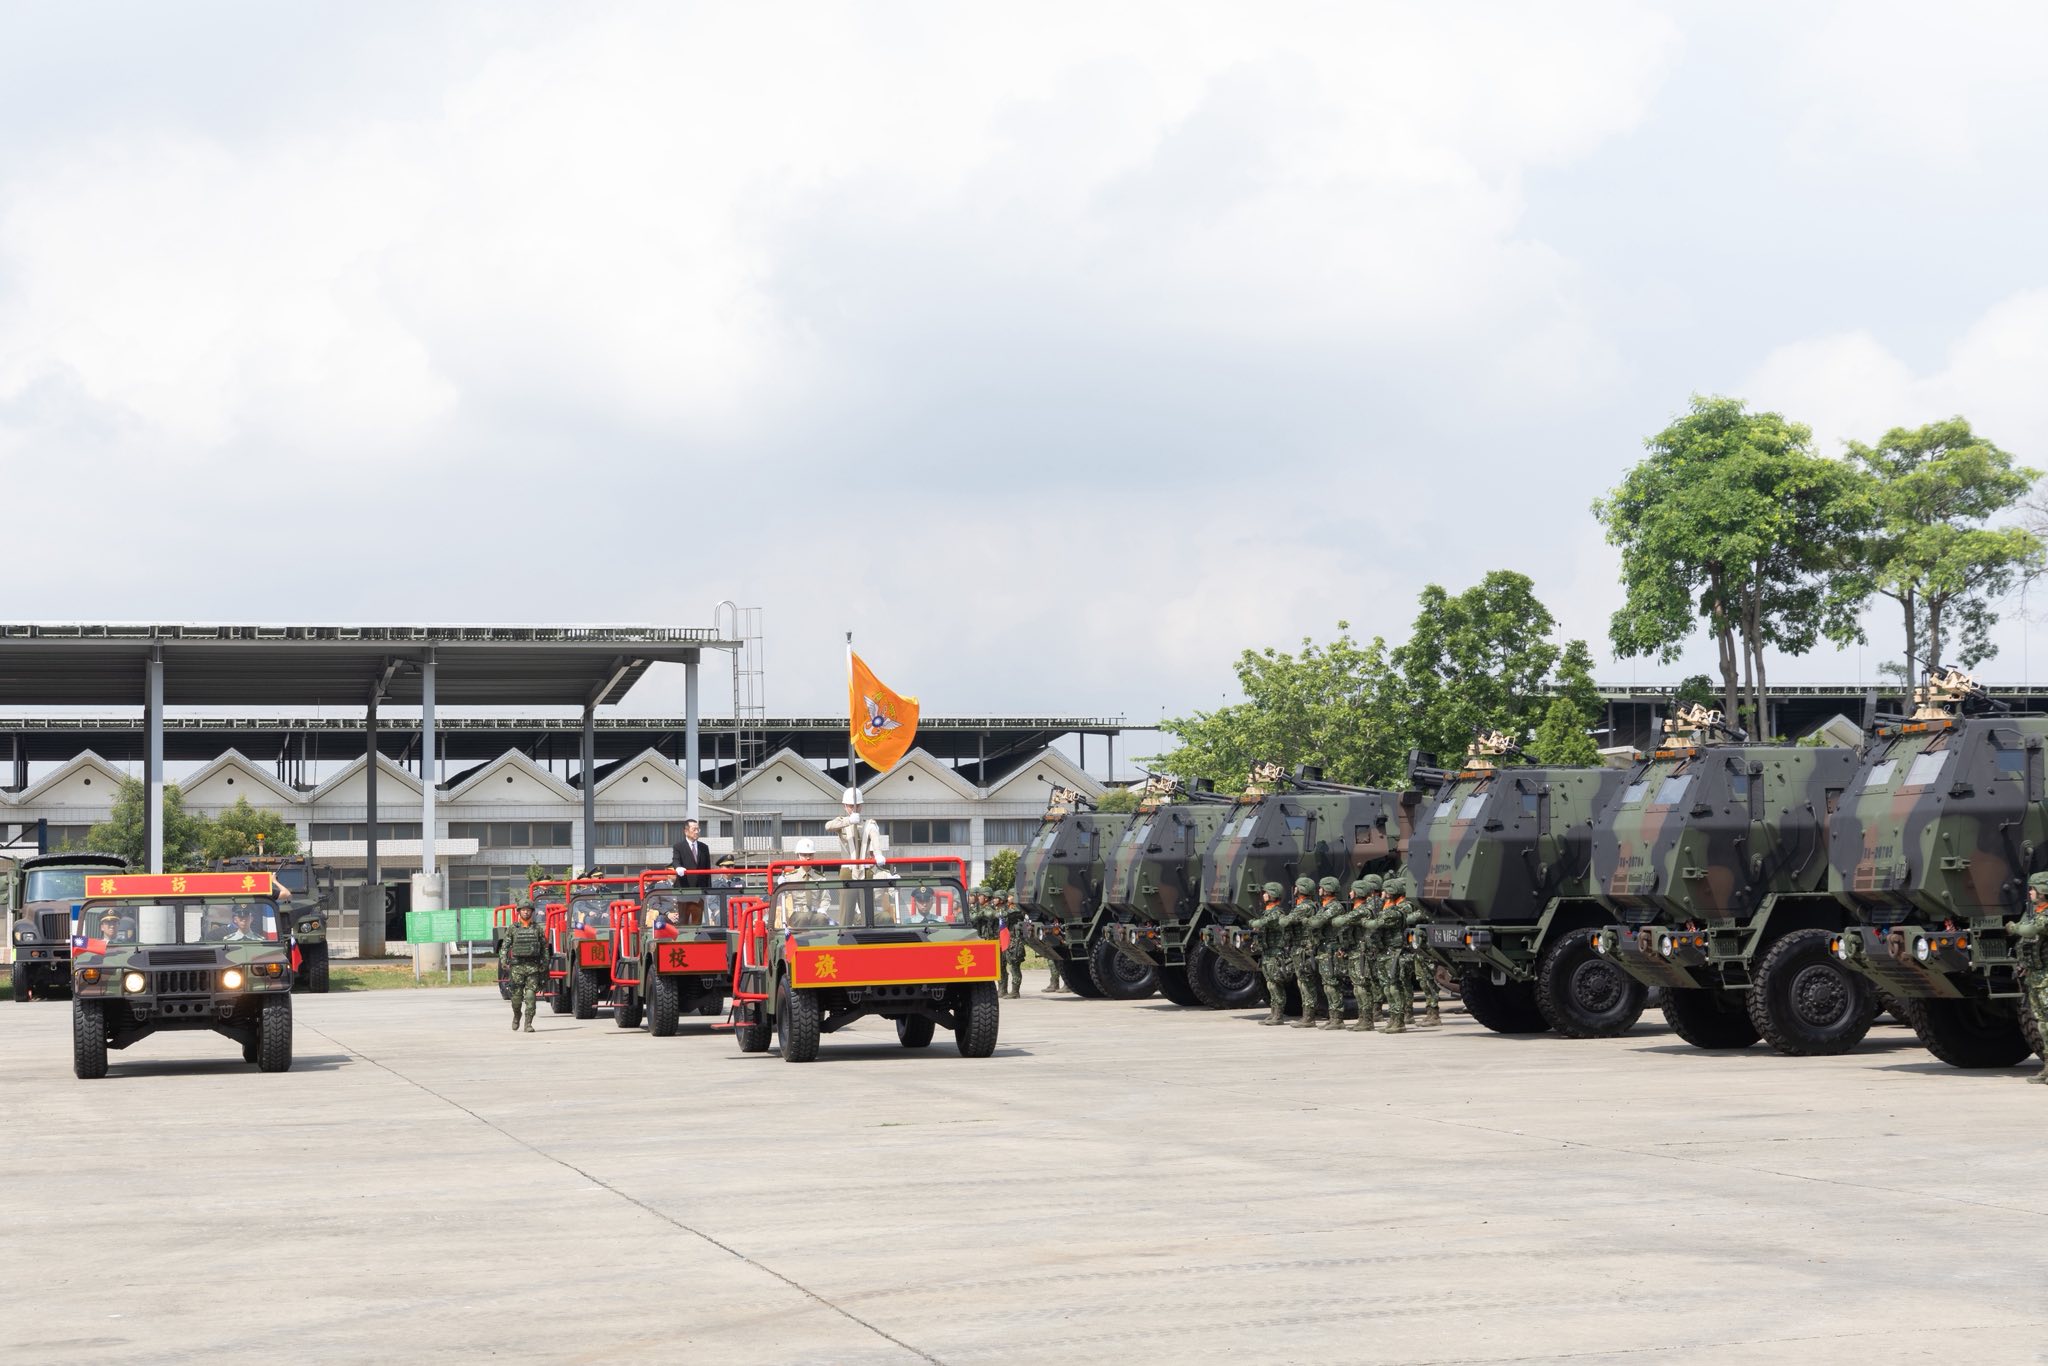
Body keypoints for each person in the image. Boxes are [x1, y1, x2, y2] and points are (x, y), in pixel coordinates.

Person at [2006, 872, 2048, 1084]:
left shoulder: (2045, 915)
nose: (2030, 891)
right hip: (2037, 975)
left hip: (2046, 977)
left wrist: (2014, 927)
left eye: (2033, 888)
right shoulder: (2035, 912)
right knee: (2042, 1023)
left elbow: (2031, 930)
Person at [1338, 877, 1381, 1033]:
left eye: (1352, 890)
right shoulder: (1358, 909)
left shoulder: (1363, 910)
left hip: (1362, 953)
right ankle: (1363, 1018)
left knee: (1362, 987)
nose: (1349, 893)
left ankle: (1367, 1019)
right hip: (1356, 951)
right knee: (1357, 988)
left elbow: (1341, 921)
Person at [1376, 876, 1416, 1033]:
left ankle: (1399, 1021)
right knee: (1388, 987)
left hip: (1398, 951)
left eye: (1385, 890)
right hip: (1388, 950)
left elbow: (1379, 922)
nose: (1383, 893)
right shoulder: (1388, 906)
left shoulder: (1402, 908)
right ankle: (1393, 1019)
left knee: (1395, 986)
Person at [502, 901, 549, 1033]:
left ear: (532, 912)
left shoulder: (537, 929)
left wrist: (545, 963)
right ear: (519, 911)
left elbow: (544, 948)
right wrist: (503, 960)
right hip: (517, 967)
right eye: (523, 910)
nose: (526, 912)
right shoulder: (513, 928)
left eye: (528, 910)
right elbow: (505, 946)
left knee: (530, 997)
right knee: (516, 999)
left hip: (533, 967)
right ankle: (517, 1015)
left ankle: (528, 1024)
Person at [1309, 877, 1346, 1029]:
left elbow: (1316, 922)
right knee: (1326, 985)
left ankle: (1337, 1019)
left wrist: (1307, 920)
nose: (1319, 890)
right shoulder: (1325, 907)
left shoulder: (1335, 907)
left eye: (1321, 888)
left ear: (1328, 889)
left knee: (1332, 985)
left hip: (1331, 950)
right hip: (1324, 949)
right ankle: (1333, 1017)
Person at [1253, 882, 1290, 1025]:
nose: (1263, 895)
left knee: (1275, 984)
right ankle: (1273, 1013)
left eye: (1266, 892)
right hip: (1268, 952)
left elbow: (1261, 923)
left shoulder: (1276, 913)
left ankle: (1278, 1015)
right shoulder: (1268, 912)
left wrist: (1254, 923)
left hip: (1276, 953)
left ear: (1272, 894)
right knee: (1270, 984)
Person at [1287, 876, 1322, 1028]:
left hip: (1304, 949)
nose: (1294, 889)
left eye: (1297, 887)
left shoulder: (1304, 907)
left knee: (1306, 983)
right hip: (1302, 948)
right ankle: (1307, 1015)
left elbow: (1286, 921)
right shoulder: (1307, 906)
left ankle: (1309, 1017)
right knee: (1303, 982)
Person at [671, 819, 713, 892]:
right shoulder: (678, 846)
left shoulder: (704, 847)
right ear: (686, 831)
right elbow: (675, 860)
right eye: (694, 829)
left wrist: (709, 889)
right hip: (684, 888)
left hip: (701, 888)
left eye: (698, 829)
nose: (697, 832)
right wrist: (678, 867)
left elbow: (707, 869)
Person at [1000, 892, 1027, 998]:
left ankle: (1015, 991)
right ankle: (1008, 990)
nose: (1009, 898)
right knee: (1010, 966)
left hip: (1016, 942)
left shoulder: (1018, 909)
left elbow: (1007, 913)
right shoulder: (1008, 907)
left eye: (1011, 896)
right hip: (1010, 942)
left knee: (1014, 967)